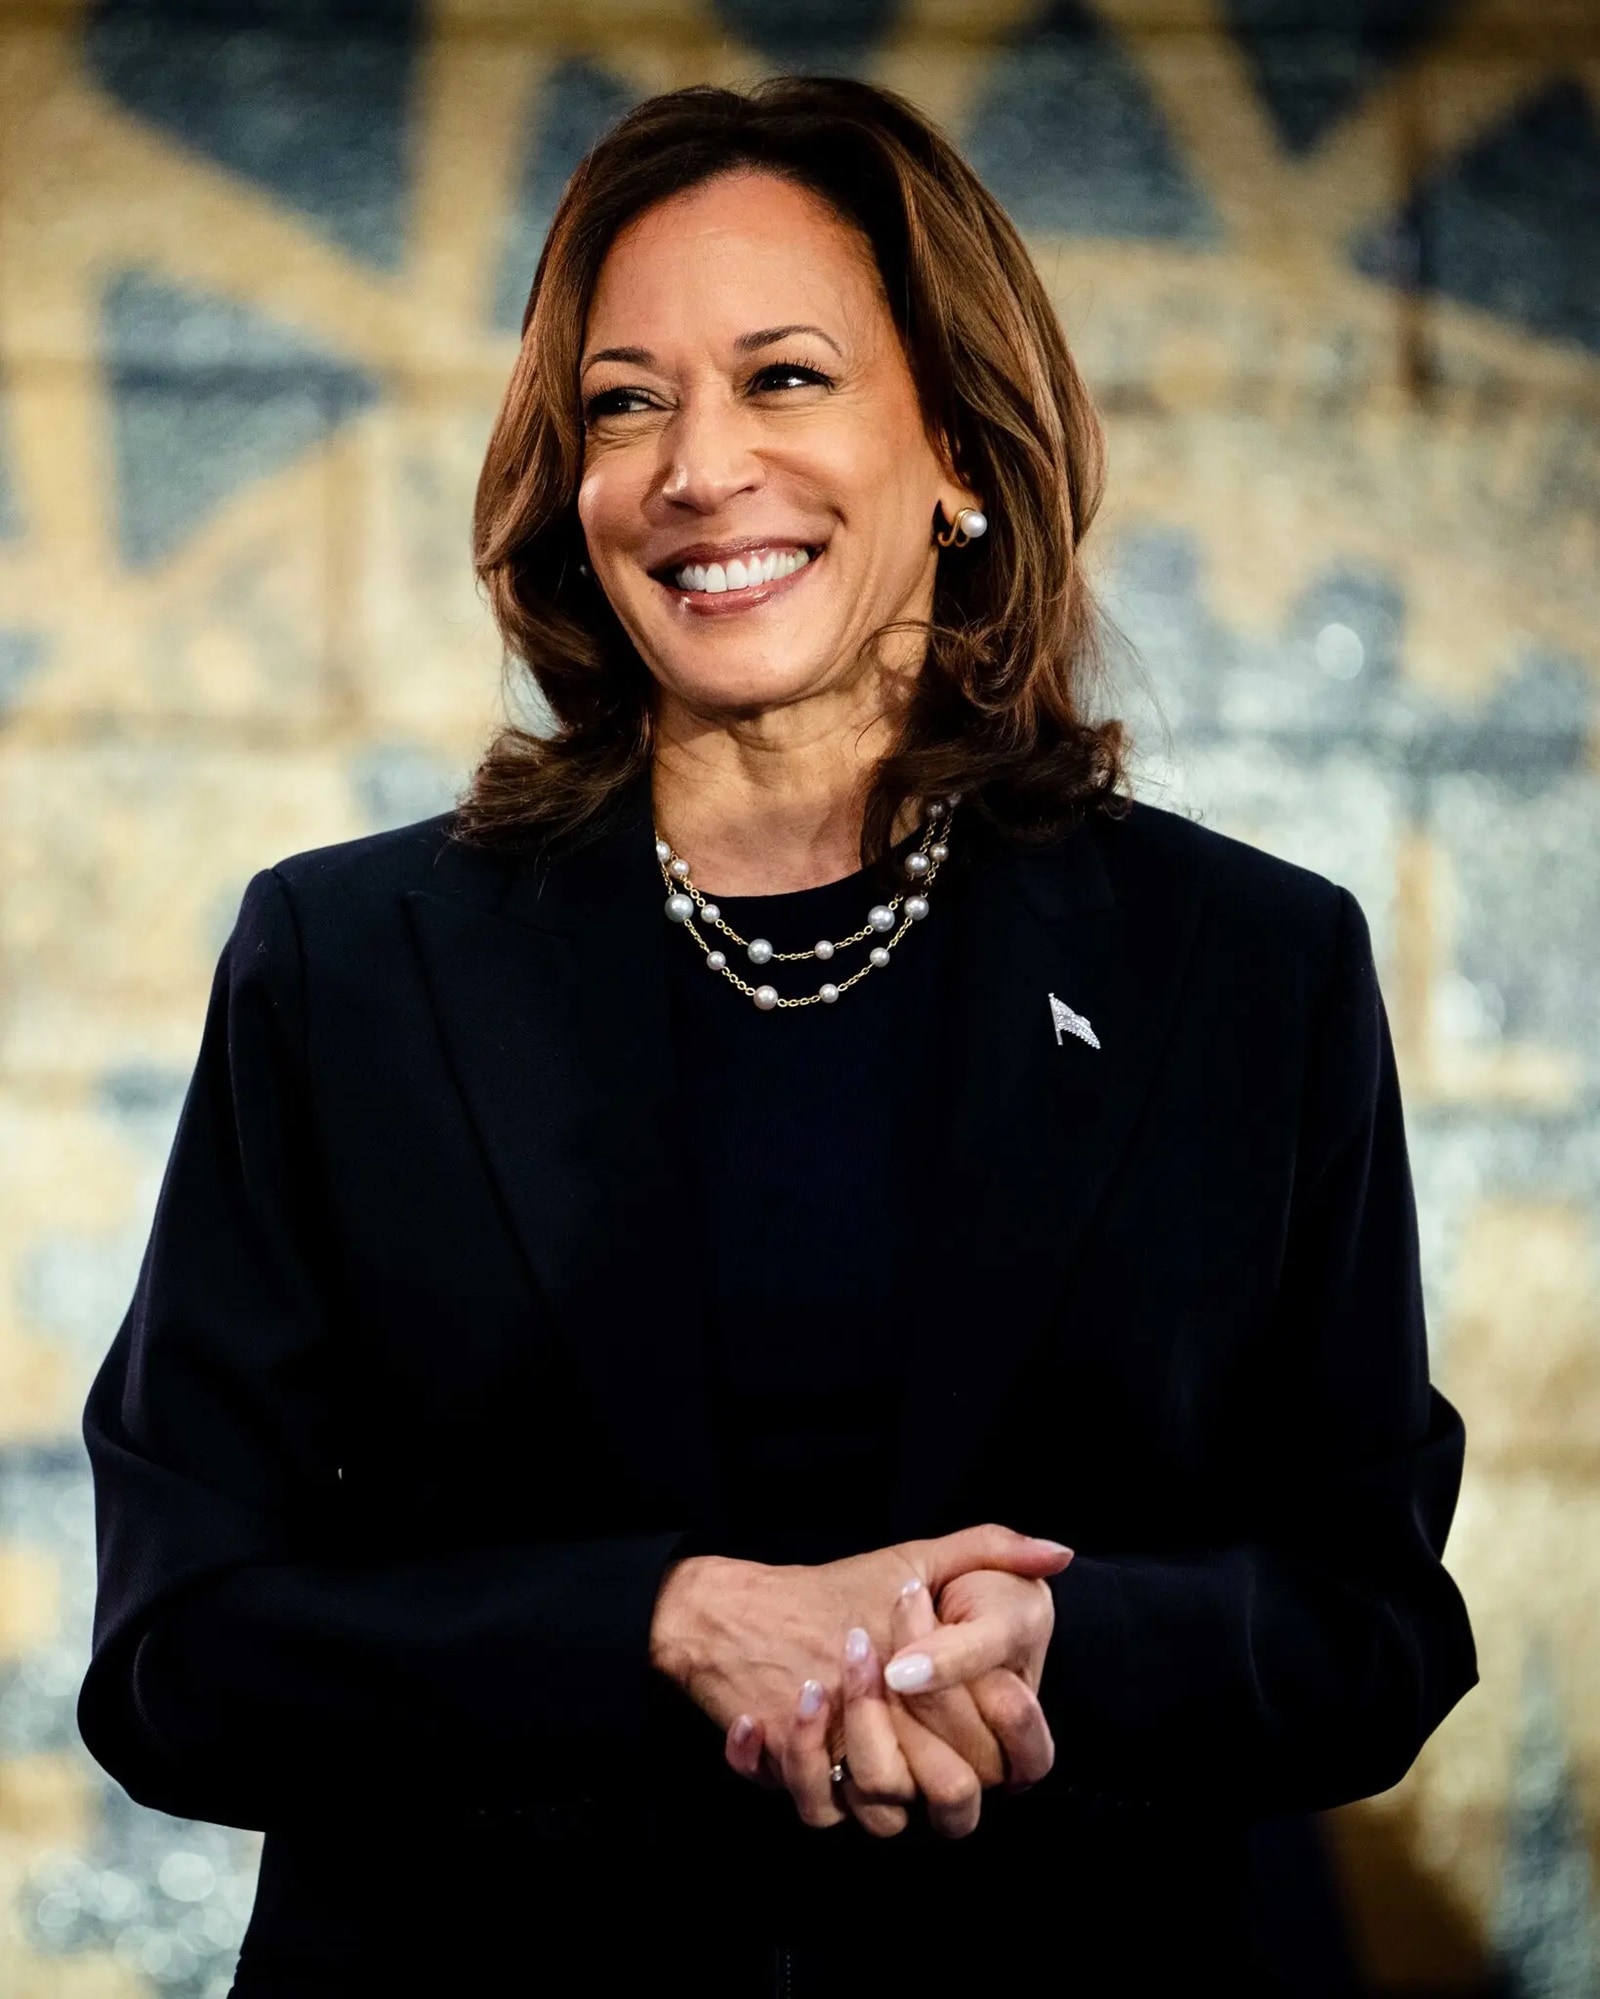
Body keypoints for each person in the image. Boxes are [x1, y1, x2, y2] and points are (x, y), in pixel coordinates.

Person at [77, 74, 1477, 1997]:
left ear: (959, 448)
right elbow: (177, 1656)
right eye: (624, 402)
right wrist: (655, 1626)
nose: (697, 467)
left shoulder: (1252, 966)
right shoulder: (344, 965)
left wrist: (1058, 1648)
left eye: (786, 378)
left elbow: (1376, 1629)